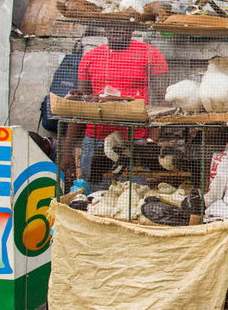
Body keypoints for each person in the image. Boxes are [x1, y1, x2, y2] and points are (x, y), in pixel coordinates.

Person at [59, 26, 169, 191]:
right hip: (96, 140)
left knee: (134, 197)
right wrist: (67, 151)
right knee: (96, 197)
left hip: (136, 142)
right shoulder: (90, 56)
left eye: (122, 25)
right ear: (105, 28)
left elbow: (163, 102)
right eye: (111, 25)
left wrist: (151, 143)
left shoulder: (150, 54)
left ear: (131, 27)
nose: (116, 30)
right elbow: (80, 106)